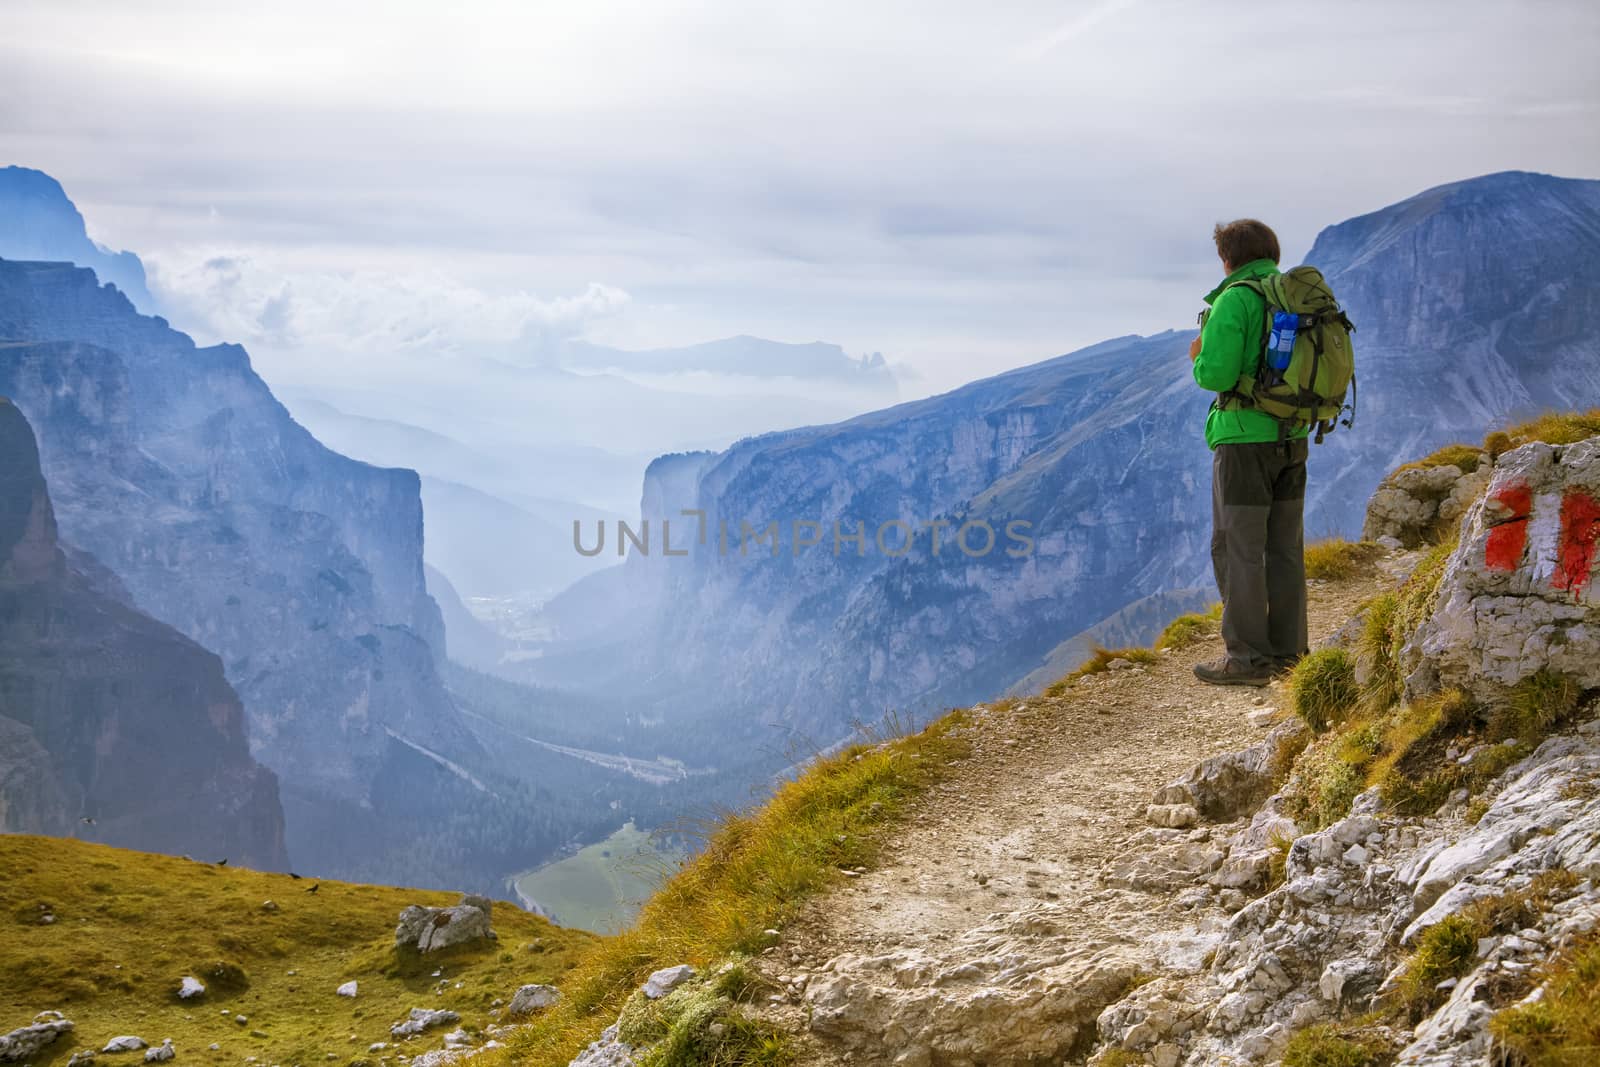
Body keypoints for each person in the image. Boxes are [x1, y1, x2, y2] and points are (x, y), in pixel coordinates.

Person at [1187, 219, 1309, 687]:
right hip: (1293, 435)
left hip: (1243, 441)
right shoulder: (1293, 298)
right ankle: (1290, 655)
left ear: (1228, 259)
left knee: (1238, 549)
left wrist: (1198, 355)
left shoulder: (1235, 299)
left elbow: (1215, 374)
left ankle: (1246, 660)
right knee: (1284, 547)